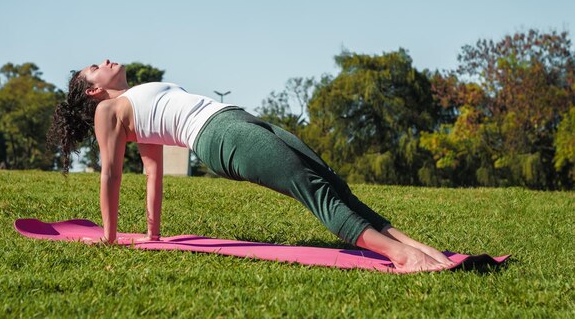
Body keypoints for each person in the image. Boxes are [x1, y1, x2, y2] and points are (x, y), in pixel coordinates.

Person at [47, 59, 455, 273]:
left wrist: (154, 234)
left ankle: (415, 247)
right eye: (94, 66)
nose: (104, 58)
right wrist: (110, 237)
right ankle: (401, 258)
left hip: (236, 119)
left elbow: (153, 171)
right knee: (310, 188)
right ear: (94, 89)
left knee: (331, 180)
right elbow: (111, 175)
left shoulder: (136, 96)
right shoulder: (109, 111)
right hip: (219, 137)